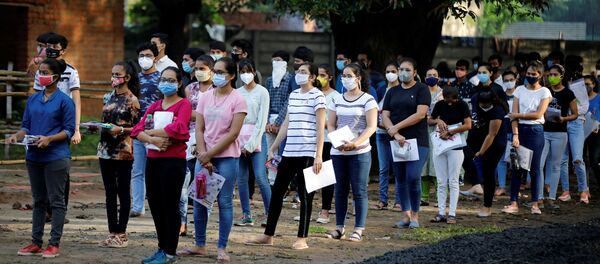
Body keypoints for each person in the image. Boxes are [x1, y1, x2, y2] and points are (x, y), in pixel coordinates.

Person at [245, 62, 326, 250]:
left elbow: (321, 127)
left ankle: (302, 238)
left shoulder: (318, 96)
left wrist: (318, 155)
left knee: (305, 196)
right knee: (277, 193)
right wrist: (273, 147)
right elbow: (287, 124)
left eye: (304, 72)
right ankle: (268, 235)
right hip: (289, 151)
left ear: (313, 77)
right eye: (298, 71)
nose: (299, 74)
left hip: (308, 152)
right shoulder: (294, 95)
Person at [178, 57, 247, 262]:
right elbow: (199, 128)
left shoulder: (238, 99)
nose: (216, 75)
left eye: (220, 72)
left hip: (226, 158)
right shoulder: (205, 96)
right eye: (214, 71)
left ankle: (222, 247)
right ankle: (200, 245)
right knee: (200, 201)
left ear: (232, 75)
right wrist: (203, 154)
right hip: (204, 157)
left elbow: (233, 134)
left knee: (224, 202)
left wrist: (210, 154)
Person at [12, 59, 75, 258]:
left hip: (56, 156)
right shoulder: (33, 99)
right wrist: (17, 136)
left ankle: (54, 243)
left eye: (45, 72)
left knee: (56, 201)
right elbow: (26, 126)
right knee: (38, 200)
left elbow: (68, 130)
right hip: (33, 156)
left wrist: (50, 139)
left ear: (56, 77)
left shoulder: (65, 101)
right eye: (40, 72)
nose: (41, 75)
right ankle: (35, 242)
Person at [131, 67, 191, 263]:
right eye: (164, 79)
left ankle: (170, 252)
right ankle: (161, 248)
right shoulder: (155, 105)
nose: (167, 83)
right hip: (153, 161)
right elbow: (137, 129)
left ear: (179, 83)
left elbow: (180, 127)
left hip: (174, 161)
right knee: (156, 205)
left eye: (171, 80)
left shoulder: (183, 104)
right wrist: (154, 139)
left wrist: (152, 134)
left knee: (170, 205)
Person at [326, 63, 377, 241]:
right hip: (338, 151)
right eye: (344, 76)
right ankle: (339, 227)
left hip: (360, 152)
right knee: (339, 189)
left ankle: (359, 229)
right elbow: (331, 123)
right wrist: (336, 141)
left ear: (358, 78)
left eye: (349, 75)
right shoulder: (336, 99)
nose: (346, 79)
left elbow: (371, 126)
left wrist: (355, 143)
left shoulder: (368, 100)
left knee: (359, 190)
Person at [382, 58, 431, 229]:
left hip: (417, 141)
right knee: (401, 178)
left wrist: (396, 128)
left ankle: (415, 216)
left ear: (415, 72)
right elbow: (385, 115)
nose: (403, 73)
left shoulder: (422, 89)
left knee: (413, 176)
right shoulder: (392, 92)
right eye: (401, 69)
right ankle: (405, 216)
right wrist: (394, 133)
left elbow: (420, 114)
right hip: (396, 142)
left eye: (407, 70)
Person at [97, 61, 140, 248]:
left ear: (127, 78)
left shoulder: (133, 100)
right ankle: (111, 231)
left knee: (122, 191)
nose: (114, 77)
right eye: (112, 74)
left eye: (117, 74)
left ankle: (121, 232)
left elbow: (139, 129)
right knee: (109, 192)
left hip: (123, 151)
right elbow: (104, 121)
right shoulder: (108, 98)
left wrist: (121, 129)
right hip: (104, 150)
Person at [503, 61, 551, 215]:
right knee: (517, 167)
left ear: (540, 75)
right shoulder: (519, 90)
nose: (530, 76)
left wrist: (518, 115)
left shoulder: (545, 92)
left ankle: (535, 202)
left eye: (534, 74)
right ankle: (513, 202)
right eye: (528, 74)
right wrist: (515, 135)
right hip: (520, 130)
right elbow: (513, 116)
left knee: (535, 169)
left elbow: (538, 114)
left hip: (536, 130)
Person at [179, 54, 214, 236]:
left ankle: (202, 225)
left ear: (212, 71)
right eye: (197, 68)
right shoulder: (190, 88)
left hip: (209, 141)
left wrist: (196, 114)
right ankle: (181, 222)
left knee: (203, 184)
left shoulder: (217, 90)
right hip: (188, 139)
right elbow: (185, 114)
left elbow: (216, 118)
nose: (199, 72)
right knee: (184, 182)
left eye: (203, 68)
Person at [234, 59, 271, 227]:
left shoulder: (262, 92)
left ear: (255, 71)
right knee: (241, 179)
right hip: (238, 138)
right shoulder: (236, 92)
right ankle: (246, 214)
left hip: (257, 138)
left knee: (260, 177)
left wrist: (251, 144)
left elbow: (262, 120)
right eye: (242, 71)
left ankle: (271, 213)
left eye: (248, 71)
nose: (245, 74)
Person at [461, 63, 507, 197]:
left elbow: (503, 109)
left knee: (488, 165)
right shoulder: (476, 89)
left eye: (484, 72)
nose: (481, 75)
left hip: (491, 130)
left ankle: (487, 196)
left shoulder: (497, 89)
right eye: (479, 72)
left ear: (491, 73)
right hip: (475, 128)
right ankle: (476, 184)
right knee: (465, 155)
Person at [429, 86, 471, 223]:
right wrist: (437, 120)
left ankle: (452, 213)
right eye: (448, 100)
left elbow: (468, 125)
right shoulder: (440, 105)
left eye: (453, 100)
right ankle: (441, 212)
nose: (450, 103)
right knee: (441, 181)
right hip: (441, 145)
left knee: (453, 181)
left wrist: (451, 132)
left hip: (455, 145)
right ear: (444, 97)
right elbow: (429, 119)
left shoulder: (462, 105)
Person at [130, 42, 162, 218]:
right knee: (137, 170)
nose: (144, 59)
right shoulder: (133, 79)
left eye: (148, 55)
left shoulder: (162, 79)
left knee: (155, 169)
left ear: (156, 57)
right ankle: (137, 206)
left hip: (157, 132)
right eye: (141, 55)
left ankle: (158, 203)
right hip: (137, 130)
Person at [540, 64, 578, 209]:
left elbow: (575, 114)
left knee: (556, 165)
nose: (552, 77)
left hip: (560, 133)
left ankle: (551, 198)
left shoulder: (568, 93)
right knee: (540, 164)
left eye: (555, 74)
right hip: (544, 131)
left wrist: (563, 119)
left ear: (562, 76)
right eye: (550, 75)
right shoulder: (545, 91)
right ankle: (539, 197)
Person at [558, 55, 591, 204]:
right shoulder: (561, 86)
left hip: (576, 122)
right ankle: (566, 191)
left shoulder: (579, 85)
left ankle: (583, 190)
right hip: (562, 123)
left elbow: (584, 107)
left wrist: (572, 111)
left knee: (577, 158)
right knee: (563, 159)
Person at [470, 90, 507, 217]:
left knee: (488, 172)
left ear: (492, 102)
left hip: (495, 143)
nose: (483, 106)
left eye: (486, 104)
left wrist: (481, 152)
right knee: (466, 158)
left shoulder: (497, 111)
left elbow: (492, 135)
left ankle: (487, 207)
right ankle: (476, 185)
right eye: (482, 104)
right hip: (478, 139)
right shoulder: (475, 100)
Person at [372, 61, 400, 211]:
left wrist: (393, 128)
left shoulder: (402, 89)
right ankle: (383, 200)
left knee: (397, 168)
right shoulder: (381, 89)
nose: (391, 74)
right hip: (381, 133)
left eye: (393, 71)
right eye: (388, 71)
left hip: (397, 133)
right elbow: (375, 110)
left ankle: (399, 201)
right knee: (383, 168)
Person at [315, 64, 340, 223]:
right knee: (310, 175)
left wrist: (320, 122)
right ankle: (308, 207)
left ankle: (325, 210)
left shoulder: (336, 96)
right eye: (317, 75)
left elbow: (334, 121)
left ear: (330, 77)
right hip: (311, 140)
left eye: (323, 75)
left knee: (326, 176)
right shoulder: (312, 94)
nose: (319, 78)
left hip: (328, 140)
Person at [264, 50, 293, 185]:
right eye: (274, 60)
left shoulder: (291, 80)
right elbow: (266, 100)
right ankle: (272, 180)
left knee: (283, 151)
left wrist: (277, 122)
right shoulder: (269, 80)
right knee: (271, 151)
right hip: (269, 120)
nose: (276, 63)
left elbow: (289, 102)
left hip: (285, 121)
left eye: (279, 60)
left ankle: (285, 182)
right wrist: (267, 122)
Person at [421, 68, 444, 206]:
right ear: (424, 78)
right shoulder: (421, 92)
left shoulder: (443, 93)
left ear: (439, 78)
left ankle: (439, 197)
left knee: (437, 165)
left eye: (434, 75)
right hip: (423, 130)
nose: (431, 77)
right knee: (424, 165)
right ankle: (423, 197)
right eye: (429, 75)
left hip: (439, 131)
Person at [495, 71, 518, 196]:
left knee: (517, 161)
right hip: (503, 130)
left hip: (517, 131)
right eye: (506, 80)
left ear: (516, 79)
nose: (509, 82)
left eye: (511, 79)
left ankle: (517, 187)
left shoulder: (520, 95)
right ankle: (502, 186)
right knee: (501, 160)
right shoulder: (500, 96)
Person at [584, 75, 600, 188]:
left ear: (594, 84)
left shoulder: (599, 98)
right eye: (583, 85)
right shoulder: (580, 99)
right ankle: (585, 187)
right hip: (582, 132)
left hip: (596, 133)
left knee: (594, 161)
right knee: (582, 161)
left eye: (588, 84)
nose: (586, 87)